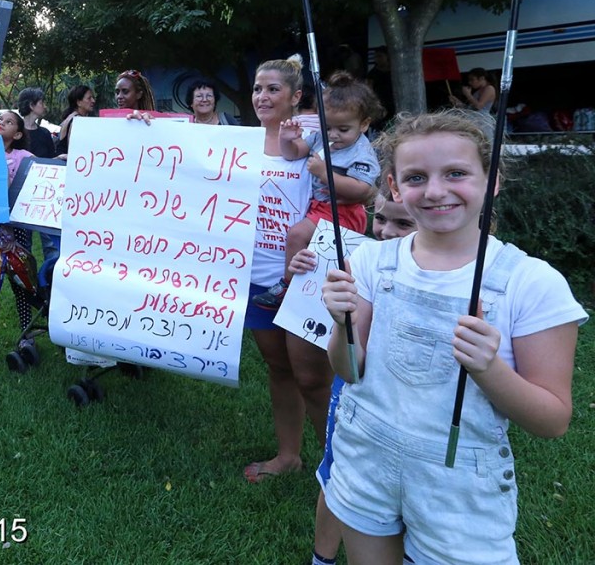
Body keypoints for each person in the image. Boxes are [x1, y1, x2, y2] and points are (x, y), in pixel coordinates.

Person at [321, 110, 585, 565]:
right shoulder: (371, 262)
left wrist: (488, 368)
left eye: (457, 173)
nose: (437, 190)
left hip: (459, 486)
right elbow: (350, 369)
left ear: (492, 180)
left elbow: (552, 421)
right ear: (395, 187)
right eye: (417, 177)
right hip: (363, 459)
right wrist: (341, 325)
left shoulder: (532, 283)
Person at [305, 186, 417, 565]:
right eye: (381, 218)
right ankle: (322, 558)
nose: (385, 230)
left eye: (403, 223)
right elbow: (349, 361)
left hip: (411, 407)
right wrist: (304, 266)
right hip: (355, 390)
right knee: (336, 473)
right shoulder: (363, 256)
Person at [240, 55, 319, 483]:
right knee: (279, 366)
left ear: (296, 96)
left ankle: (341, 464)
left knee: (313, 375)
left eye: (273, 89)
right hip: (255, 277)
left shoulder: (316, 140)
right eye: (257, 88)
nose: (263, 96)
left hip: (304, 275)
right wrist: (139, 124)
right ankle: (289, 455)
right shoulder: (239, 142)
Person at [251, 71, 382, 310]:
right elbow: (294, 153)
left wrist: (325, 174)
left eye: (343, 129)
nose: (333, 135)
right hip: (321, 207)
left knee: (297, 235)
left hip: (343, 211)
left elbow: (361, 189)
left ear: (364, 124)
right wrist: (287, 140)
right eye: (328, 126)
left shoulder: (361, 153)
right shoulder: (324, 137)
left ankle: (286, 286)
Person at [0, 111, 36, 361]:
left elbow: (43, 173)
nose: (1, 122)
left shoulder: (24, 157)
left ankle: (27, 336)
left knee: (21, 283)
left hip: (19, 231)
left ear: (17, 134)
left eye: (8, 121)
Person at [17, 87, 59, 266]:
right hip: (21, 195)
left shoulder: (44, 133)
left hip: (45, 193)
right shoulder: (16, 132)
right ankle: (26, 284)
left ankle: (50, 281)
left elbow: (50, 160)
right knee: (22, 244)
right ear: (32, 105)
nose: (45, 106)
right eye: (41, 102)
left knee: (50, 243)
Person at [56, 84, 96, 156]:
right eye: (89, 98)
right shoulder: (78, 121)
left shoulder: (71, 117)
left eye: (93, 97)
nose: (93, 101)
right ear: (79, 102)